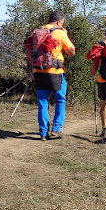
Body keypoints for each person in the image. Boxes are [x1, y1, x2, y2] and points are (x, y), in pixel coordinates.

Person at [32, 10, 75, 141]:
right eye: (62, 23)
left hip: (38, 71)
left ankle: (43, 133)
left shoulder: (36, 32)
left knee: (42, 102)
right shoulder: (59, 33)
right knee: (60, 100)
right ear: (58, 22)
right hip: (55, 72)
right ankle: (56, 129)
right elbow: (72, 51)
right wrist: (65, 35)